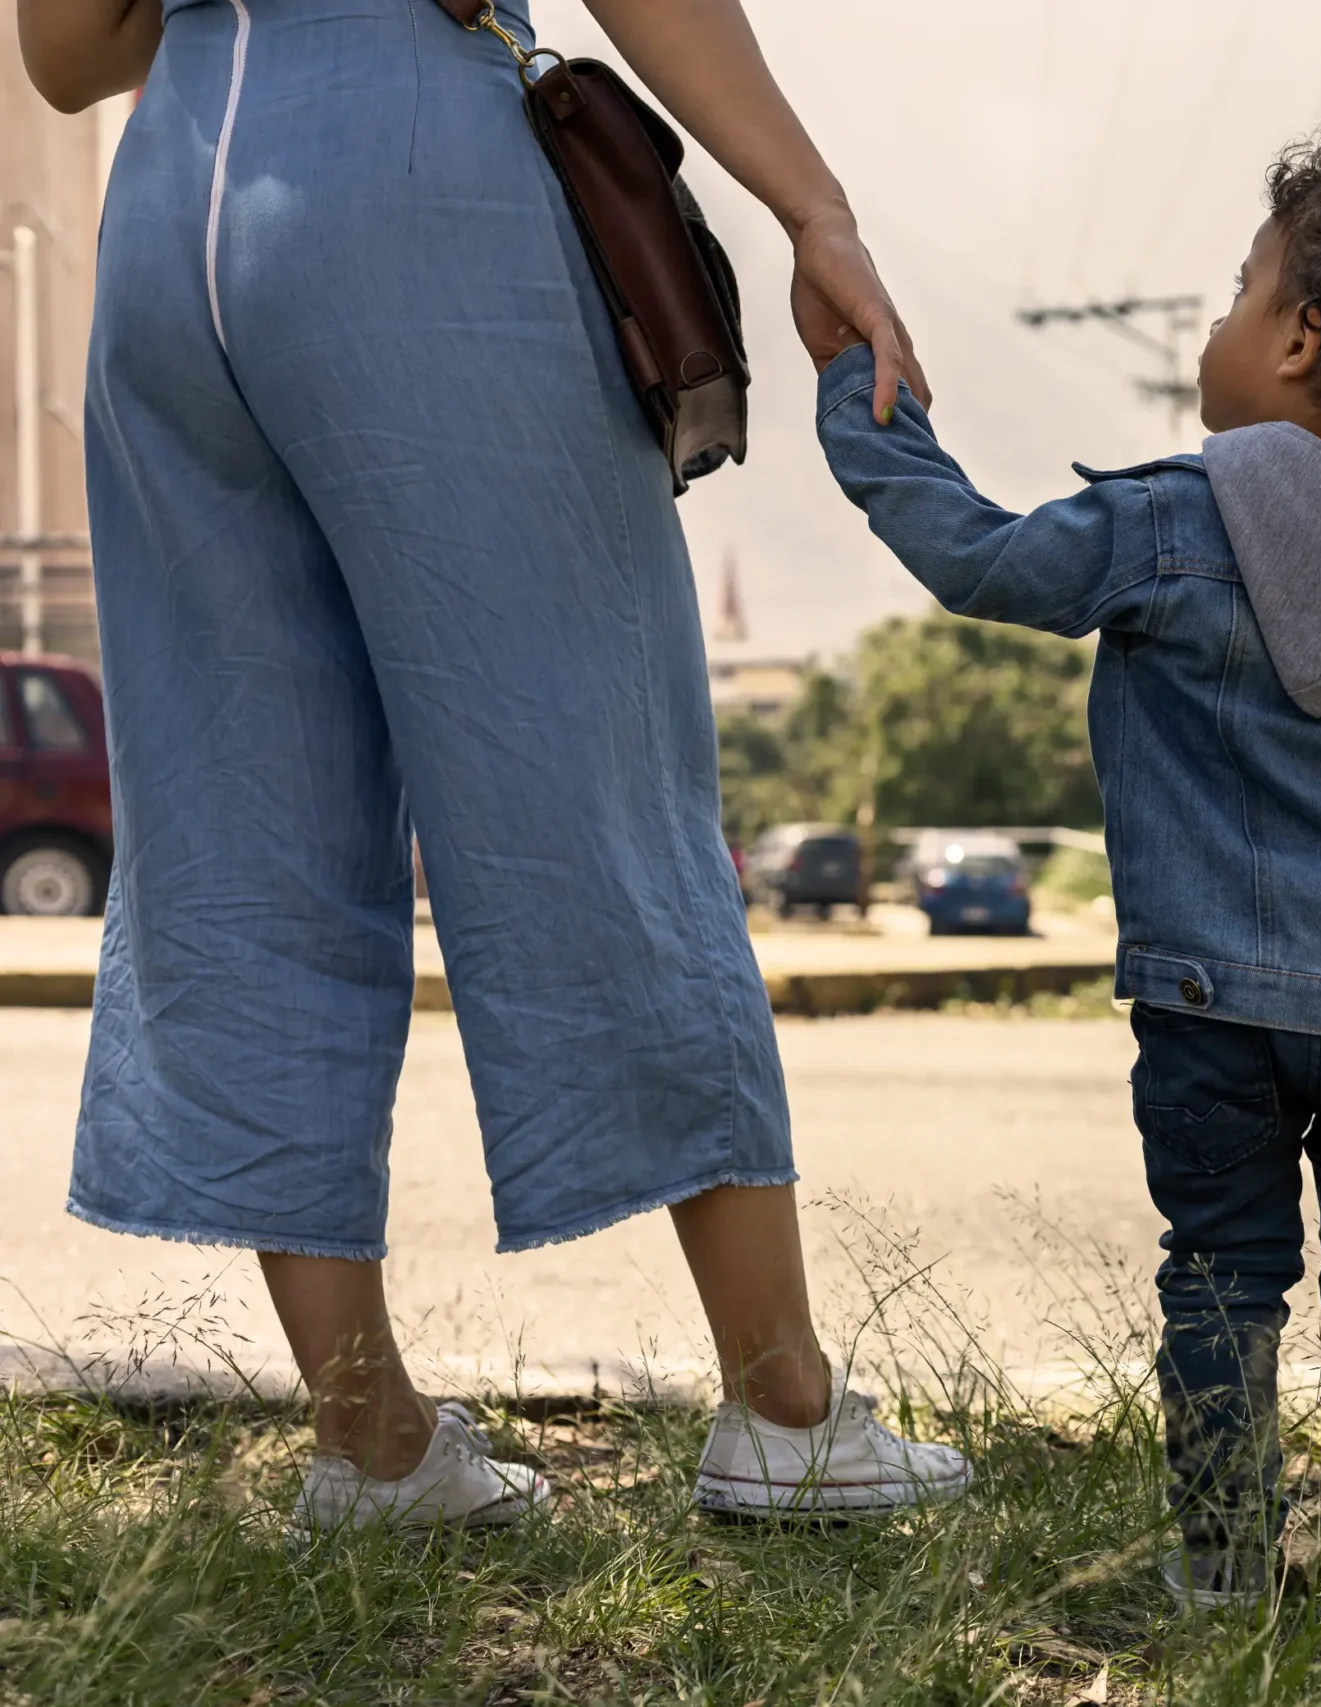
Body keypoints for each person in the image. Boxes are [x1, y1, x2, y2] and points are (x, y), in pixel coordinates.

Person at [18, 0, 966, 1529]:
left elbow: (61, 59)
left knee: (238, 827)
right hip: (410, 191)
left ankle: (373, 1445)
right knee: (589, 781)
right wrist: (814, 208)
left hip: (174, 204)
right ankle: (786, 1411)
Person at [817, 132, 1321, 1605]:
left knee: (1223, 1277)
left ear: (1297, 340)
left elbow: (979, 557)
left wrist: (863, 393)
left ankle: (1225, 1567)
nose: (1220, 321)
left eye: (1239, 292)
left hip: (1211, 1002)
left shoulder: (1172, 520)